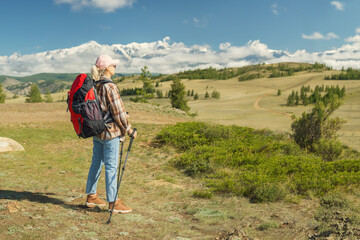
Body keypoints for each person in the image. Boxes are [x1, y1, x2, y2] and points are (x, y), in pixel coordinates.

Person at [85, 55, 137, 214]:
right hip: (111, 133)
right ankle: (113, 202)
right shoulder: (110, 86)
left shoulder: (94, 84)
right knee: (111, 167)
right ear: (107, 67)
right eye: (113, 64)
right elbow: (118, 112)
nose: (115, 66)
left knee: (96, 163)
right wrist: (129, 129)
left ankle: (91, 196)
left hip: (97, 131)